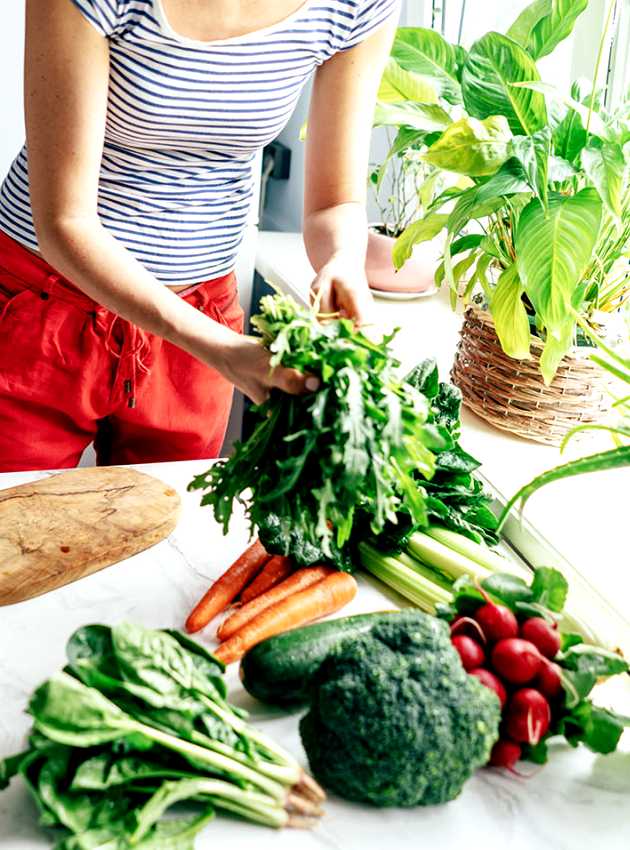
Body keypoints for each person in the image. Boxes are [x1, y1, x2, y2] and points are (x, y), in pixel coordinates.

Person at [0, 0, 400, 472]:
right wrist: (221, 349)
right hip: (48, 302)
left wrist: (341, 262)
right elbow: (66, 223)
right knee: (16, 527)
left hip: (201, 315)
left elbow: (335, 202)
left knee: (162, 532)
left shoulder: (357, 6)